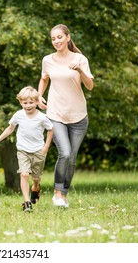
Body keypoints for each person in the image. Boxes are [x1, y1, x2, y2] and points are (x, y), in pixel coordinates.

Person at [38, 24, 94, 208]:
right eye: (53, 38)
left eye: (59, 37)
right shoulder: (48, 60)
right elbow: (44, 78)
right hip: (55, 113)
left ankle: (64, 193)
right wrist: (39, 96)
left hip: (78, 116)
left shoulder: (80, 59)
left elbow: (90, 86)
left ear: (68, 38)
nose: (56, 41)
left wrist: (80, 70)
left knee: (72, 158)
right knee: (65, 153)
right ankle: (57, 192)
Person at [0, 86, 53, 212]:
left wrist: (46, 147)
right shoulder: (18, 115)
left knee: (36, 178)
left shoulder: (41, 117)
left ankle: (36, 187)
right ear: (20, 102)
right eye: (25, 103)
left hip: (38, 150)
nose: (28, 106)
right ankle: (27, 202)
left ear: (36, 102)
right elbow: (10, 129)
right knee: (24, 174)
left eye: (31, 102)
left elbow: (51, 129)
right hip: (23, 150)